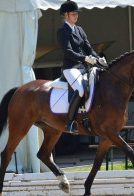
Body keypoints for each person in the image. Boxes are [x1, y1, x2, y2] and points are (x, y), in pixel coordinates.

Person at [57, 0, 107, 134]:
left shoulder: (79, 30)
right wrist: (85, 58)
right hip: (70, 68)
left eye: (76, 14)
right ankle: (70, 122)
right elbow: (68, 51)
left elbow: (88, 48)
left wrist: (98, 58)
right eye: (73, 14)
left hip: (83, 67)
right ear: (65, 15)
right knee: (80, 89)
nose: (76, 16)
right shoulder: (62, 31)